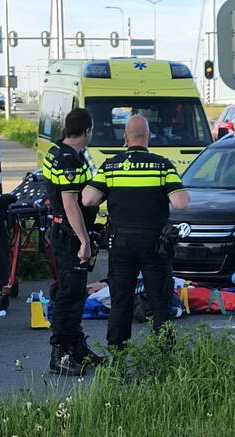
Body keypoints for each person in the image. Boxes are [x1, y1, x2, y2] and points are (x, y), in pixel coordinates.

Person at [81, 114, 191, 350]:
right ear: (148, 137)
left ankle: (117, 352)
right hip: (155, 244)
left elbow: (88, 198)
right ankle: (164, 353)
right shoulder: (162, 165)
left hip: (121, 242)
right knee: (159, 299)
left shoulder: (110, 165)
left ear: (125, 138)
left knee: (121, 299)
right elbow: (181, 203)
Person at [42, 108, 104, 374]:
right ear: (87, 131)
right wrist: (84, 241)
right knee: (69, 293)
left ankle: (77, 346)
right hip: (69, 234)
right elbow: (70, 204)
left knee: (76, 292)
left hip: (62, 231)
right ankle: (61, 354)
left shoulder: (56, 151)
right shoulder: (70, 161)